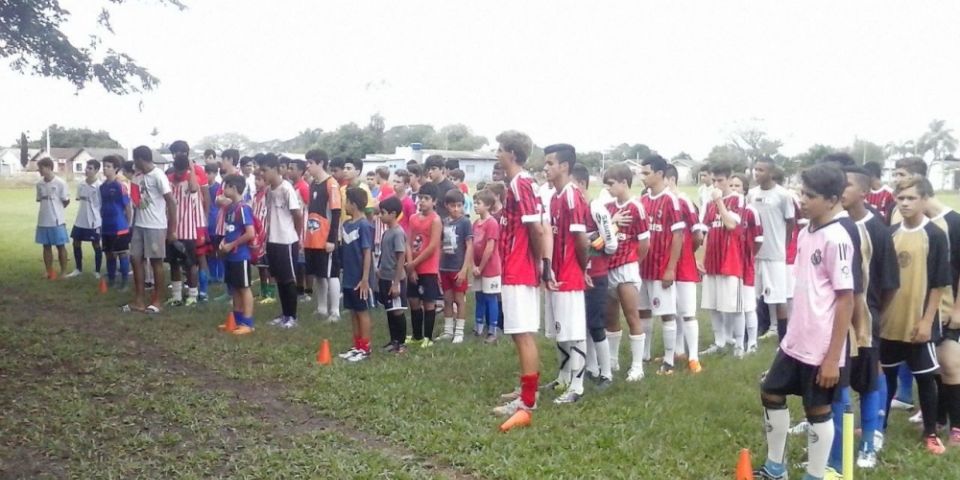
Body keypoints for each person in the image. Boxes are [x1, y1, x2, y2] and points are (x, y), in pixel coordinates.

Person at [754, 164, 855, 480]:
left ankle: (814, 474)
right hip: (796, 340)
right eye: (801, 193)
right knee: (770, 391)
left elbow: (846, 299)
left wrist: (831, 359)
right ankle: (775, 468)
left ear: (832, 199)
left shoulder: (837, 238)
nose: (802, 200)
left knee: (817, 411)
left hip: (821, 347)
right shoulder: (806, 231)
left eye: (810, 196)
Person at [880, 176, 952, 455]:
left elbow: (938, 283)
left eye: (912, 198)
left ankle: (931, 432)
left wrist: (926, 321)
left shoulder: (934, 234)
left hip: (918, 324)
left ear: (924, 200)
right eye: (901, 198)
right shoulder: (891, 233)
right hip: (890, 323)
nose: (906, 203)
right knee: (885, 377)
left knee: (926, 378)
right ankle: (878, 424)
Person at [491, 130, 545, 432]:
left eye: (500, 149)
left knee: (523, 333)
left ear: (512, 153)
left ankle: (528, 401)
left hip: (520, 267)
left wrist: (537, 264)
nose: (496, 153)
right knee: (516, 332)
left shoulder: (521, 183)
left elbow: (536, 229)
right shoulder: (516, 183)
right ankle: (526, 391)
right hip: (514, 266)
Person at [540, 144, 590, 404]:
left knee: (574, 330)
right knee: (560, 329)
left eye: (550, 163)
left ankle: (578, 385)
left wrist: (583, 269)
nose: (545, 168)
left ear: (564, 166)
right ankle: (562, 377)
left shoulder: (572, 196)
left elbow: (581, 240)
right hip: (555, 273)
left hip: (570, 274)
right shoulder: (555, 197)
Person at [637, 155, 685, 374]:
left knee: (666, 312)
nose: (642, 177)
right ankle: (645, 354)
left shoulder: (671, 200)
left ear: (659, 174)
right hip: (643, 267)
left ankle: (669, 359)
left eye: (646, 173)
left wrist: (671, 268)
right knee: (644, 311)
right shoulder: (643, 200)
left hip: (661, 267)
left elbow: (678, 236)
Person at [603, 163, 650, 381]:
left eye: (612, 184)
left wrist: (632, 262)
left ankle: (637, 366)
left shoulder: (636, 208)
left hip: (626, 269)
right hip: (608, 267)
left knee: (632, 315)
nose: (609, 188)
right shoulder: (608, 207)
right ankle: (612, 360)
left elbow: (644, 244)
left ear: (624, 182)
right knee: (610, 316)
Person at [571, 164, 617, 388]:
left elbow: (611, 244)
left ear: (580, 184)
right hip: (578, 276)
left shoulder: (595, 207)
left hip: (597, 274)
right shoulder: (573, 207)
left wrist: (592, 246)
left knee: (597, 324)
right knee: (582, 324)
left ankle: (606, 373)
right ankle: (590, 367)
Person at [699, 163, 746, 357]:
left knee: (734, 306)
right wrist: (701, 257)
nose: (716, 184)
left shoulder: (737, 199)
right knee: (713, 304)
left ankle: (739, 345)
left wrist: (719, 202)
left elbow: (731, 225)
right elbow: (705, 231)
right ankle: (719, 342)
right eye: (714, 180)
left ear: (728, 179)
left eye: (720, 180)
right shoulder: (708, 203)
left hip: (730, 259)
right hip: (713, 259)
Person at [124, 146, 176, 314]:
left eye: (135, 160)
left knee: (156, 262)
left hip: (156, 225)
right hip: (139, 225)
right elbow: (135, 199)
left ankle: (157, 300)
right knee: (135, 259)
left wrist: (172, 229)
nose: (134, 164)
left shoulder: (158, 175)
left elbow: (171, 202)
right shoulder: (137, 177)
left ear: (140, 159)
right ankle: (139, 300)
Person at [749, 157, 795, 340]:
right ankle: (760, 328)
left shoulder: (783, 195)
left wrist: (782, 244)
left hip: (775, 253)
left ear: (771, 173)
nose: (757, 173)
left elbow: (790, 222)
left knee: (778, 296)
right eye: (755, 169)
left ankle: (783, 335)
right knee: (756, 294)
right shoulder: (751, 194)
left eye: (761, 170)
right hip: (756, 252)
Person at [665, 164, 703, 373]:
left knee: (688, 312)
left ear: (670, 179)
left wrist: (688, 253)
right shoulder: (660, 200)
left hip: (685, 266)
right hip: (666, 265)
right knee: (671, 311)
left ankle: (694, 357)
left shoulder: (684, 201)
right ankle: (677, 351)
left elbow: (698, 235)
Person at [260, 154, 304, 329]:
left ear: (276, 170)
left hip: (286, 240)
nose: (262, 174)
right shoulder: (269, 190)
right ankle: (284, 314)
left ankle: (292, 316)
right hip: (273, 240)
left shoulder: (287, 189)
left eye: (265, 170)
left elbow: (297, 215)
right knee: (279, 278)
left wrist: (297, 236)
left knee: (288, 279)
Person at [303, 149, 342, 323]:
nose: (308, 166)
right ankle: (321, 308)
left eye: (311, 162)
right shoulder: (313, 184)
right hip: (313, 237)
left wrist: (332, 240)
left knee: (331, 274)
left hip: (326, 238)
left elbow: (336, 213)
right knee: (319, 275)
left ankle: (335, 311)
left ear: (320, 163)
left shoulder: (331, 184)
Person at [338, 187, 375, 362]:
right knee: (353, 311)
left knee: (362, 311)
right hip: (348, 277)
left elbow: (367, 252)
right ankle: (357, 345)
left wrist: (365, 279)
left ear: (353, 204)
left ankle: (366, 348)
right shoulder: (346, 225)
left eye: (346, 201)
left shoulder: (364, 225)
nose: (344, 205)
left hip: (360, 279)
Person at [165, 142, 204, 307]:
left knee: (190, 264)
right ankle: (176, 295)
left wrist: (191, 169)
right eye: (178, 170)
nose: (180, 174)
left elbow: (195, 188)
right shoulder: (169, 180)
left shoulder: (190, 178)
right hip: (172, 229)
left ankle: (193, 295)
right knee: (174, 263)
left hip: (188, 230)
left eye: (183, 170)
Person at [405, 182, 443, 347]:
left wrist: (413, 263)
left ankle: (428, 337)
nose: (422, 201)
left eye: (426, 198)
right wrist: (410, 264)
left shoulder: (435, 220)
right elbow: (408, 241)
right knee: (413, 300)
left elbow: (432, 246)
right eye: (420, 198)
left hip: (428, 268)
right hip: (413, 265)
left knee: (428, 301)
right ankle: (417, 335)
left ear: (434, 201)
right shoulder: (413, 218)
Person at [218, 174, 256, 335]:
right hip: (230, 255)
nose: (223, 190)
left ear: (233, 188)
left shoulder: (243, 208)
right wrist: (223, 242)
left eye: (225, 187)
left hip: (241, 255)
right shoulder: (230, 208)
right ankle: (237, 318)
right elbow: (230, 229)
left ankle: (248, 322)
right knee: (234, 288)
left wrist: (232, 245)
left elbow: (250, 233)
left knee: (244, 287)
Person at [731, 173, 763, 356]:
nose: (734, 189)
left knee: (748, 305)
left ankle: (752, 342)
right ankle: (738, 343)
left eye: (738, 186)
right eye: (732, 185)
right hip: (731, 264)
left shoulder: (750, 211)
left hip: (745, 264)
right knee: (736, 306)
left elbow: (759, 238)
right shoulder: (727, 209)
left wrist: (750, 255)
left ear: (744, 189)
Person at [438, 189, 473, 344]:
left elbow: (469, 246)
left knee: (459, 300)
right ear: (446, 206)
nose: (456, 209)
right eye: (453, 206)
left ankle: (459, 332)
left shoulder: (465, 222)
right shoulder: (444, 222)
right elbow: (440, 245)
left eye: (459, 205)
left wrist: (465, 269)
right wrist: (437, 267)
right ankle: (448, 330)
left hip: (458, 268)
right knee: (447, 299)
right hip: (444, 267)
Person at [377, 196, 409, 354]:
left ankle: (402, 343)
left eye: (382, 213)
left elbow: (400, 257)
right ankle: (393, 340)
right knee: (389, 310)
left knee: (397, 310)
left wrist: (396, 283)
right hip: (385, 277)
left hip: (394, 279)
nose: (380, 216)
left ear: (393, 213)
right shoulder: (387, 232)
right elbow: (384, 254)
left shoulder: (398, 233)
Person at [65, 159, 103, 279]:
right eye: (87, 167)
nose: (87, 170)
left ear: (96, 170)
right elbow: (79, 199)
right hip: (80, 219)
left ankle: (97, 271)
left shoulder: (99, 186)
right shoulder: (81, 184)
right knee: (76, 242)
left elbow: (101, 204)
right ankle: (78, 269)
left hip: (94, 220)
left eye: (90, 168)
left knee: (96, 244)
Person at [472, 190, 502, 343]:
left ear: (488, 205)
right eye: (475, 203)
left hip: (490, 268)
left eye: (479, 203)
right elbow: (471, 245)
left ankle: (492, 329)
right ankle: (478, 325)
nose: (475, 206)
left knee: (491, 297)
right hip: (477, 267)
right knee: (479, 296)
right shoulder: (476, 223)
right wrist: (473, 265)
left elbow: (490, 248)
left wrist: (481, 267)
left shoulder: (492, 223)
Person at [99, 155, 133, 290]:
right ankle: (112, 279)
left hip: (120, 226)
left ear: (116, 169)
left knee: (122, 253)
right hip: (106, 226)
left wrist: (128, 224)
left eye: (108, 167)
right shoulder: (102, 187)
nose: (105, 169)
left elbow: (127, 207)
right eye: (104, 166)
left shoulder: (120, 186)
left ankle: (124, 281)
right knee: (109, 254)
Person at [35, 157, 70, 279]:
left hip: (57, 220)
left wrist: (57, 210)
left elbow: (66, 201)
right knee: (46, 246)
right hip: (43, 220)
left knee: (60, 246)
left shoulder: (60, 183)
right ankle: (49, 270)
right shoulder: (39, 184)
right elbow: (39, 199)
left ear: (49, 168)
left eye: (41, 168)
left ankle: (64, 271)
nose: (39, 170)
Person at [251, 171, 275, 304]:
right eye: (256, 179)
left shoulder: (268, 194)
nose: (256, 182)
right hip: (257, 234)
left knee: (269, 265)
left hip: (267, 233)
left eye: (259, 179)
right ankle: (263, 290)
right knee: (261, 265)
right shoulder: (255, 195)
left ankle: (271, 293)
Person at [425, 155, 456, 219]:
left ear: (442, 169)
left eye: (433, 168)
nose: (430, 172)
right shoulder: (428, 187)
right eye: (428, 169)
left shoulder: (450, 189)